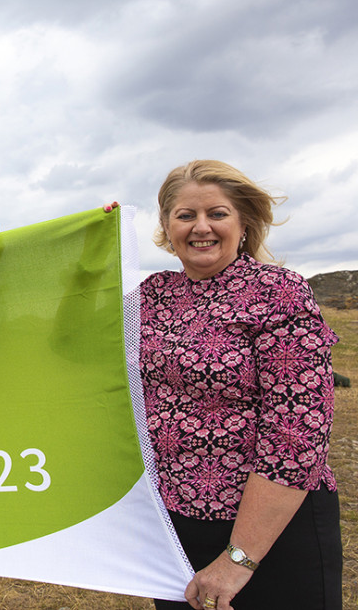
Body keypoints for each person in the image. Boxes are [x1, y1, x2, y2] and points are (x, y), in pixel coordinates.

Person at [139, 161, 342, 610]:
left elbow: (298, 435)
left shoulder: (279, 291)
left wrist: (237, 560)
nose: (201, 227)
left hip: (269, 529)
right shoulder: (149, 297)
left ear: (244, 223)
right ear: (167, 227)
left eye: (218, 213)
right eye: (185, 215)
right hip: (172, 528)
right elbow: (62, 336)